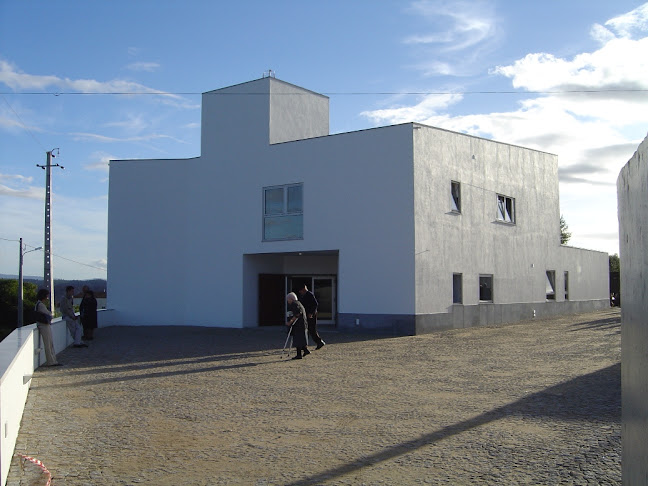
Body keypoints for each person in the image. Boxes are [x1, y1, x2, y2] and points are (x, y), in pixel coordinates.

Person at [35, 288, 61, 366]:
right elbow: (48, 314)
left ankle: (53, 360)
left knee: (49, 343)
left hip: (43, 325)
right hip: (44, 325)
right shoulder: (41, 305)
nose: (47, 298)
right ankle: (51, 361)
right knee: (48, 344)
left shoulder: (38, 304)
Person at [298, 284, 325, 349]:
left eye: (301, 290)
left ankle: (319, 342)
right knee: (307, 330)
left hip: (311, 315)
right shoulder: (303, 295)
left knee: (311, 329)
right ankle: (305, 345)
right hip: (306, 314)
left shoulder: (309, 294)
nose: (300, 292)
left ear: (304, 289)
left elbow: (315, 304)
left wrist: (311, 313)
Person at [286, 292, 310, 360]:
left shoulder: (295, 304)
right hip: (302, 324)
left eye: (288, 300)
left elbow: (298, 313)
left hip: (299, 325)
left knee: (297, 339)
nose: (288, 301)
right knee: (301, 339)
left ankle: (299, 355)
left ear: (291, 299)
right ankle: (305, 350)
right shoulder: (299, 303)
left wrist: (290, 321)